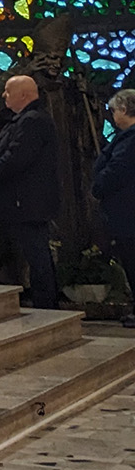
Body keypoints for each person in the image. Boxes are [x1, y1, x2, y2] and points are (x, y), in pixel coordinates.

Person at [0, 74, 60, 310]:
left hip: (29, 202)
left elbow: (16, 159)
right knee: (31, 254)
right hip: (21, 201)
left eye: (8, 91)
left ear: (23, 95)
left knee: (37, 255)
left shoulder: (33, 121)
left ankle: (46, 306)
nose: (4, 95)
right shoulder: (21, 120)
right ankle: (38, 301)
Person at [92, 88, 135, 329]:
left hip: (128, 212)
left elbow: (117, 170)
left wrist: (98, 185)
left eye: (114, 110)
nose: (112, 115)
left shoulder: (130, 139)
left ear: (125, 110)